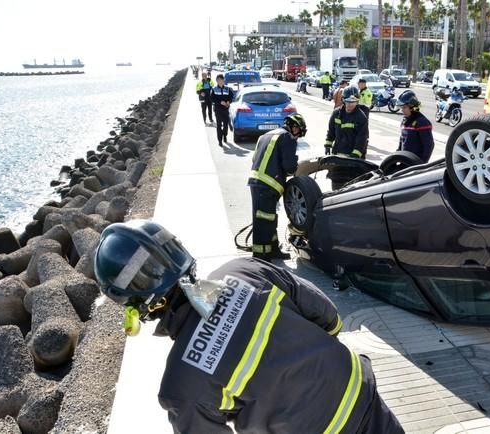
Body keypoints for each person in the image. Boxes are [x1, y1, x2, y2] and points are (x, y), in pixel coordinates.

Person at [93, 220, 405, 434]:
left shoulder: (180, 386)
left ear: (138, 308)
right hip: (358, 386)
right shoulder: (244, 269)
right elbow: (328, 314)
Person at [248, 114, 307, 261]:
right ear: (295, 128)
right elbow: (290, 167)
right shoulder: (287, 138)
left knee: (269, 218)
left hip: (257, 182)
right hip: (268, 184)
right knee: (263, 220)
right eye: (299, 133)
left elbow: (255, 158)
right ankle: (261, 256)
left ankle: (273, 249)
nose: (297, 137)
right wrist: (295, 161)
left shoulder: (266, 135)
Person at [325, 86, 369, 189]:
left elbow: (362, 139)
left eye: (353, 102)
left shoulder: (361, 117)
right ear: (343, 100)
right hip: (338, 157)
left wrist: (355, 156)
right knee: (336, 185)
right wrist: (328, 144)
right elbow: (331, 131)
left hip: (353, 159)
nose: (350, 105)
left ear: (357, 101)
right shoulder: (336, 114)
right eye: (348, 102)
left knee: (351, 187)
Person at [396, 90, 434, 163]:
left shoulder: (422, 122)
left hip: (415, 164)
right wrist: (397, 156)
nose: (402, 110)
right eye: (401, 108)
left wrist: (422, 163)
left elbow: (429, 145)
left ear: (412, 107)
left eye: (404, 107)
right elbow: (402, 141)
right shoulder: (405, 121)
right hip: (404, 162)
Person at [211, 74, 235, 147]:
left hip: (225, 109)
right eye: (218, 80)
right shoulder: (214, 89)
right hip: (218, 109)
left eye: (221, 80)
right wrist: (220, 102)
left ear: (223, 80)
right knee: (219, 125)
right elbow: (211, 98)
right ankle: (220, 140)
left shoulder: (228, 89)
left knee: (225, 125)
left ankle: (225, 135)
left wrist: (228, 101)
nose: (220, 81)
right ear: (217, 81)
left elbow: (231, 97)